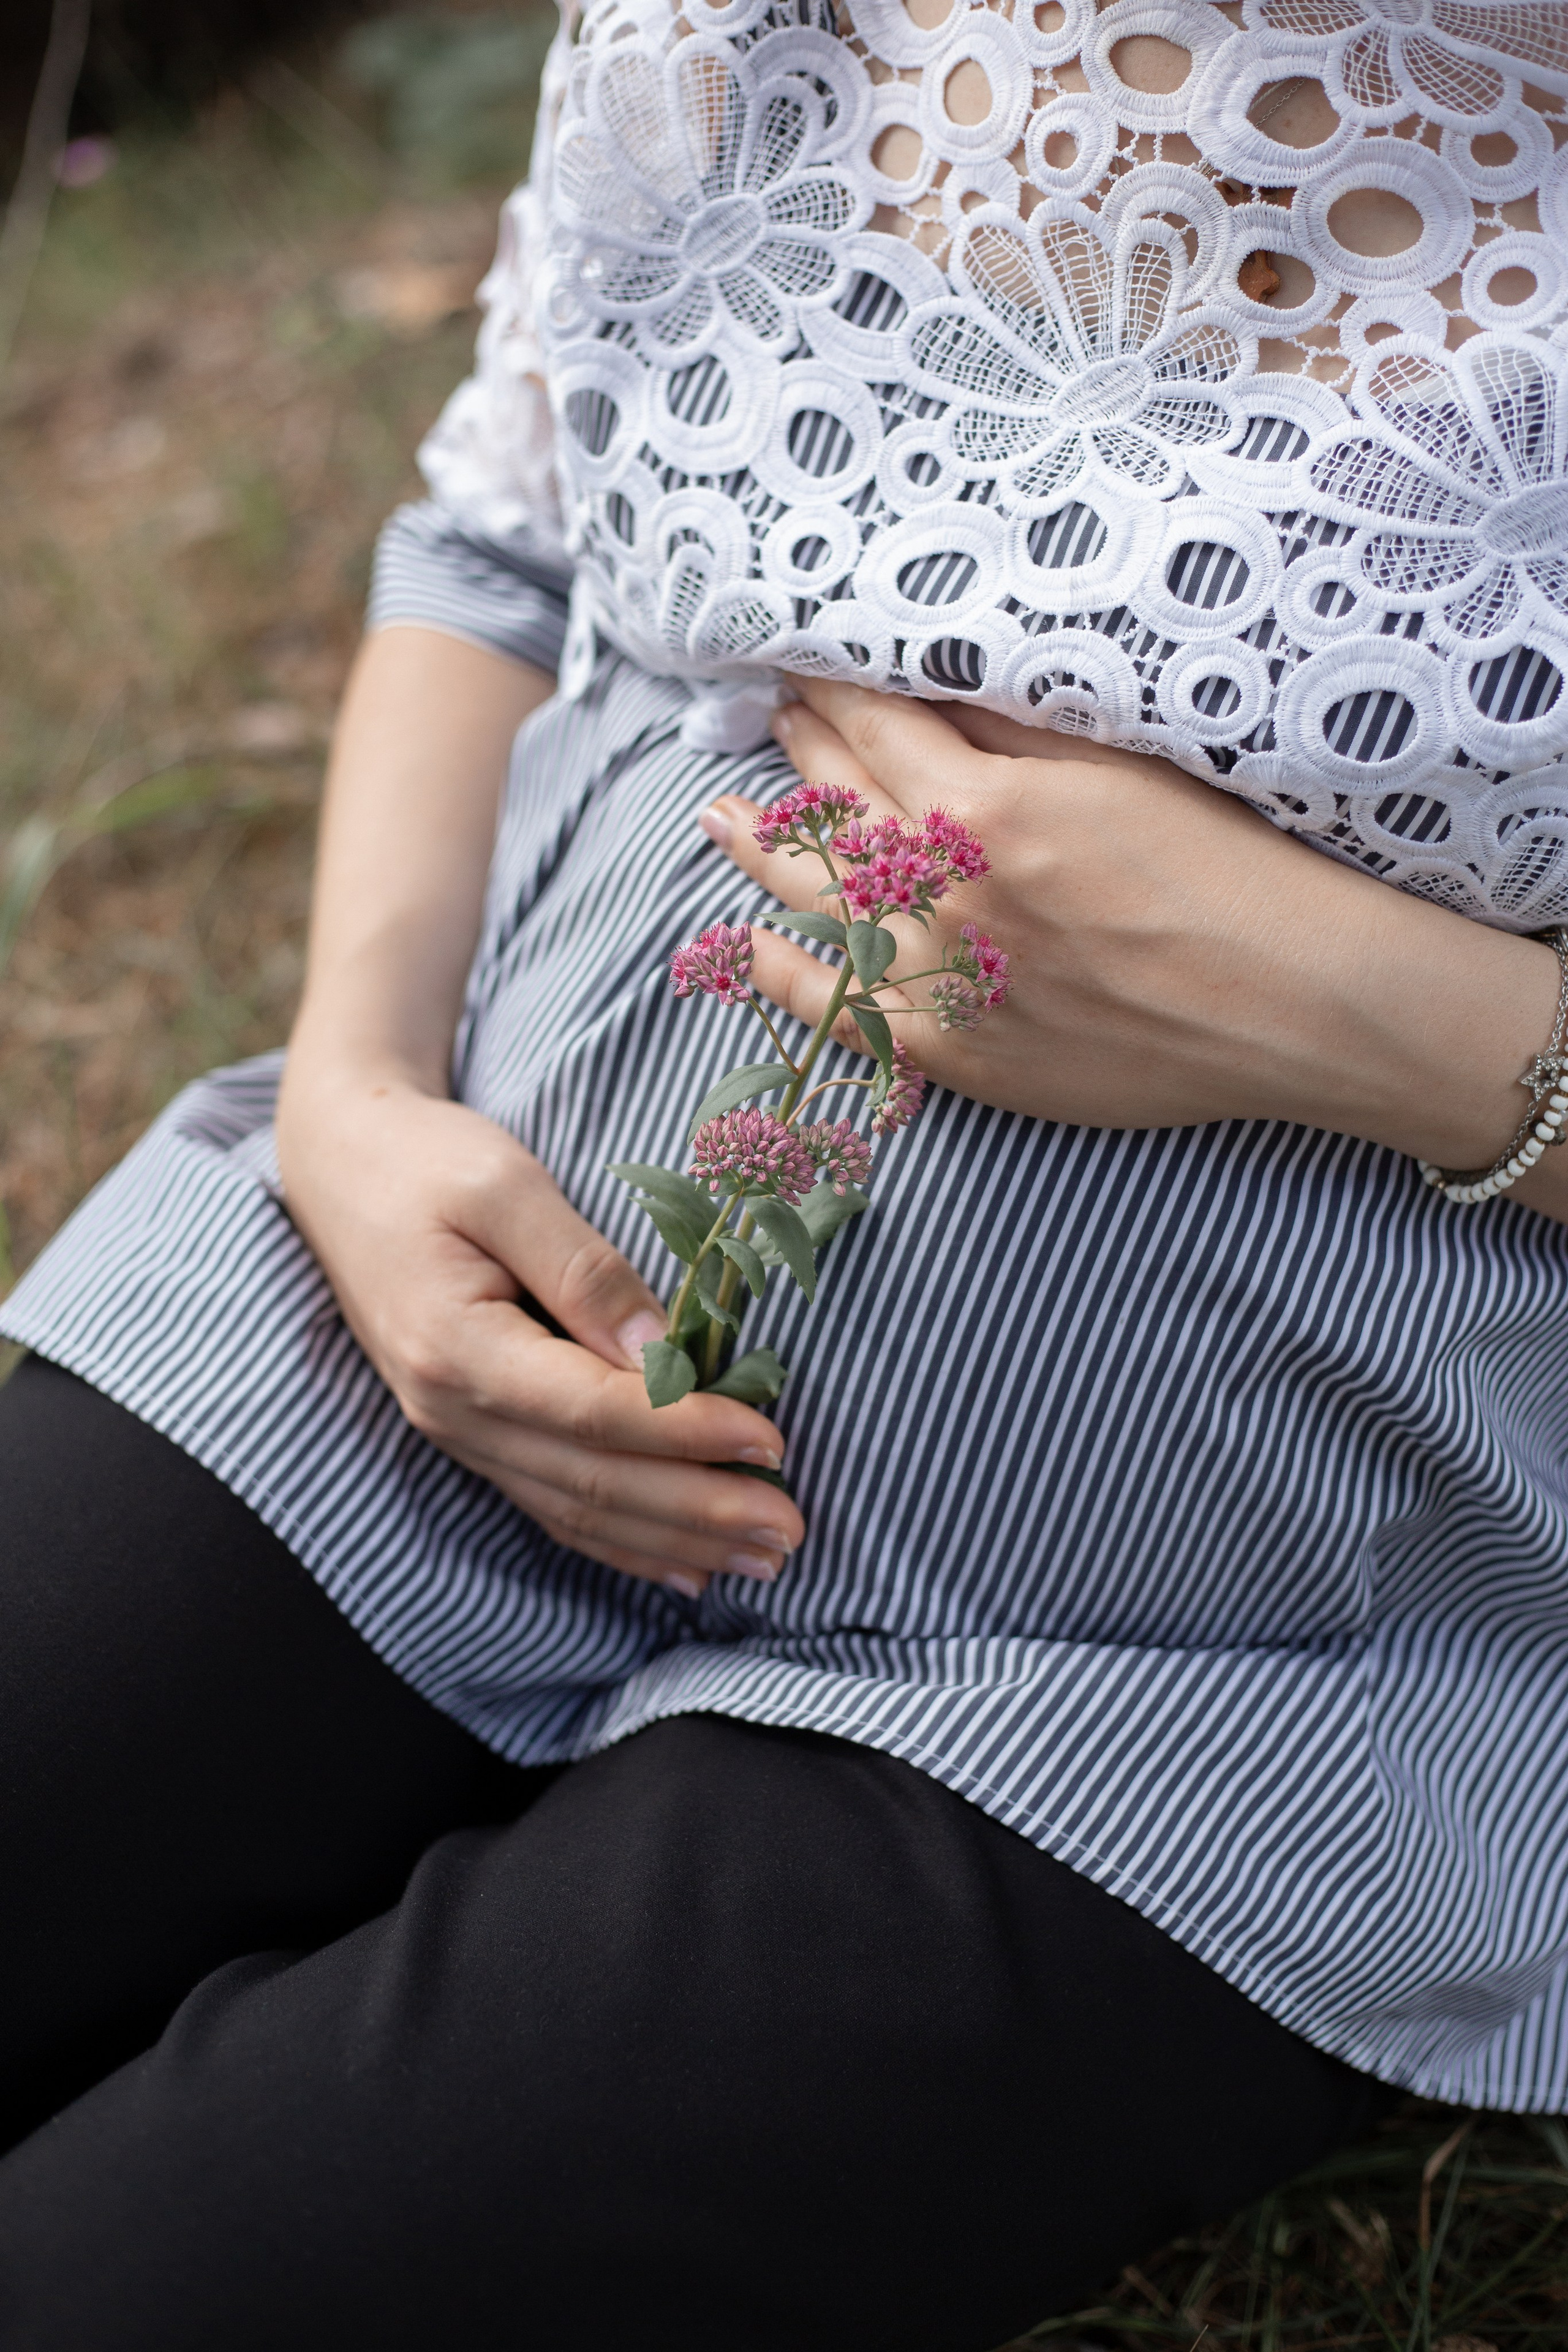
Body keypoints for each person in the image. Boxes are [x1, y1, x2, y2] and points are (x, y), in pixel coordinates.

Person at [4, 3, 1568, 2343]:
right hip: (409, 1327)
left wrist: (1368, 1015)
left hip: (1167, 1656)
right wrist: (347, 1092)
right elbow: (505, 537)